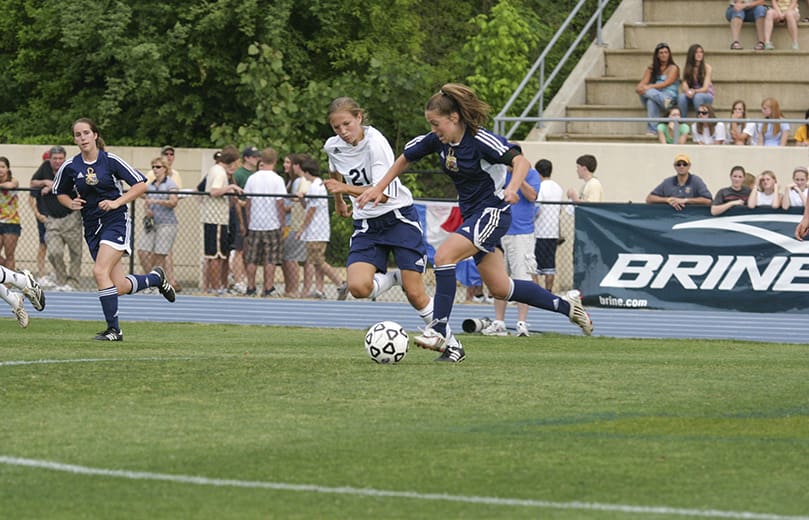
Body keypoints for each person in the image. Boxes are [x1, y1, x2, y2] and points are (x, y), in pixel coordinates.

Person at [356, 83, 593, 363]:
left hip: (493, 212)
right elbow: (404, 159)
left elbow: (521, 162)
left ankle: (440, 329)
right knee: (501, 288)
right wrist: (378, 187)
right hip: (472, 216)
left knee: (444, 256)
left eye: (436, 124)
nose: (434, 130)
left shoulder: (480, 140)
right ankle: (568, 306)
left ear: (454, 118)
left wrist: (514, 188)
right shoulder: (438, 141)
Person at [53, 118, 176, 341]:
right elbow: (59, 191)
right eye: (78, 134)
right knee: (117, 286)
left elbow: (140, 184)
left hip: (115, 221)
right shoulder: (70, 166)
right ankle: (155, 279)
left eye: (86, 133)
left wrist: (117, 202)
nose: (82, 138)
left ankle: (114, 330)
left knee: (99, 272)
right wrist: (69, 203)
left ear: (95, 135)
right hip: (91, 226)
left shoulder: (110, 161)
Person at [323, 97, 436, 331]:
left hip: (397, 218)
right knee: (358, 288)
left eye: (347, 124)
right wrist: (339, 201)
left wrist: (345, 189)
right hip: (367, 223)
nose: (343, 131)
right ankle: (394, 278)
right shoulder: (332, 146)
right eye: (337, 127)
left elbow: (382, 195)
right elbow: (335, 172)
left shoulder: (376, 144)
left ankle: (443, 334)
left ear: (359, 118)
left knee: (415, 293)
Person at [480, 165, 539, 338]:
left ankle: (521, 323)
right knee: (499, 278)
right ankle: (499, 322)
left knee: (522, 278)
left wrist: (517, 176)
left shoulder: (532, 174)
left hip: (521, 233)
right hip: (499, 230)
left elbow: (532, 196)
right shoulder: (499, 172)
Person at [30, 146, 83, 291]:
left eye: (60, 158)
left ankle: (73, 284)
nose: (58, 161)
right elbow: (33, 182)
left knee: (75, 253)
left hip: (71, 217)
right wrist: (45, 182)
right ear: (50, 159)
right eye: (55, 158)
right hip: (52, 219)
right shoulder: (45, 167)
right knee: (54, 252)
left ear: (64, 158)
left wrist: (55, 187)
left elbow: (79, 188)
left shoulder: (70, 169)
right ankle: (61, 280)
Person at [297, 157, 345, 299]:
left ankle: (340, 283)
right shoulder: (316, 186)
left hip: (316, 231)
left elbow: (311, 211)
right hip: (316, 231)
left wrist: (302, 229)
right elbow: (308, 206)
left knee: (318, 261)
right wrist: (302, 199)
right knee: (317, 262)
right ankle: (320, 289)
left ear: (306, 172)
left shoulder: (315, 186)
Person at [243, 147, 286, 297]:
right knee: (270, 259)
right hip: (272, 224)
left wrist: (248, 221)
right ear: (274, 161)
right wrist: (282, 223)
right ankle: (268, 287)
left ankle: (251, 287)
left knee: (252, 258)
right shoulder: (277, 179)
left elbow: (248, 202)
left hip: (255, 223)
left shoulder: (252, 178)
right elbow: (280, 203)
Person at [200, 147, 243, 295]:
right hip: (215, 218)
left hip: (215, 217)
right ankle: (216, 287)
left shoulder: (215, 170)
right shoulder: (219, 172)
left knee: (217, 255)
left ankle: (215, 286)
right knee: (215, 255)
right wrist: (230, 187)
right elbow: (214, 191)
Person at [136, 157, 179, 281]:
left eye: (158, 167)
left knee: (159, 255)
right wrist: (147, 210)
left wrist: (156, 201)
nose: (155, 170)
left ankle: (155, 282)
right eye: (153, 167)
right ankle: (153, 280)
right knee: (142, 251)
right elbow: (146, 201)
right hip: (152, 224)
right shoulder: (151, 185)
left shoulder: (170, 184)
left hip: (167, 223)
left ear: (165, 168)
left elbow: (173, 202)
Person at [281, 153, 311, 297]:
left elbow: (296, 202)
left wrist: (283, 206)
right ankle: (297, 289)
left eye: (288, 163)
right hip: (294, 224)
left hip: (295, 224)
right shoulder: (291, 181)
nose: (285, 165)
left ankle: (294, 289)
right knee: (300, 258)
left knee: (291, 257)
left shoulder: (300, 180)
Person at [635, 42, 680, 135]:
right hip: (658, 97)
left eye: (666, 52)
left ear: (669, 54)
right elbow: (641, 85)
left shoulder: (673, 68)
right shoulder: (652, 68)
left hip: (670, 96)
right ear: (657, 55)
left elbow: (665, 84)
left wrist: (649, 87)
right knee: (650, 98)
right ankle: (663, 101)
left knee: (650, 101)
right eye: (661, 53)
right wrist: (640, 88)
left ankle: (652, 130)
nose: (664, 55)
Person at [533, 159, 564, 292]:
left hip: (540, 231)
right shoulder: (558, 188)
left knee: (534, 266)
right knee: (550, 266)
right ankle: (548, 292)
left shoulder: (540, 187)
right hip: (553, 231)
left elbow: (537, 209)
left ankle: (535, 293)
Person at [646, 153, 713, 210]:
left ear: (689, 166)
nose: (681, 166)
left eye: (684, 164)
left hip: (691, 217)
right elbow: (649, 199)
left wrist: (685, 200)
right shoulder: (667, 182)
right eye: (678, 164)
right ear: (674, 166)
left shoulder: (696, 181)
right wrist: (668, 200)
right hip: (671, 217)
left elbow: (708, 200)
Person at [160, 145, 183, 292]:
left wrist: (164, 200)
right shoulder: (152, 172)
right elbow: (144, 190)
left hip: (167, 217)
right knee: (147, 251)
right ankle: (155, 278)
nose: (169, 157)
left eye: (171, 154)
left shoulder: (175, 175)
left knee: (166, 250)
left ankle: (170, 280)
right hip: (153, 216)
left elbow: (176, 196)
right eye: (166, 154)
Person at [677, 44, 715, 119]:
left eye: (701, 52)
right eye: (696, 52)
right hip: (693, 94)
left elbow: (705, 88)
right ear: (692, 54)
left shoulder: (707, 67)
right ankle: (683, 123)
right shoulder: (687, 67)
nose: (699, 54)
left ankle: (700, 122)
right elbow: (684, 84)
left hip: (706, 95)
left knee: (698, 97)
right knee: (681, 97)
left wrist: (694, 91)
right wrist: (688, 91)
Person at [0, 157, 21, 270]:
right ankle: (7, 271)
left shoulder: (13, 180)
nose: (0, 169)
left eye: (3, 167)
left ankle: (10, 284)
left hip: (11, 222)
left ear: (7, 168)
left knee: (10, 255)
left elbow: (11, 186)